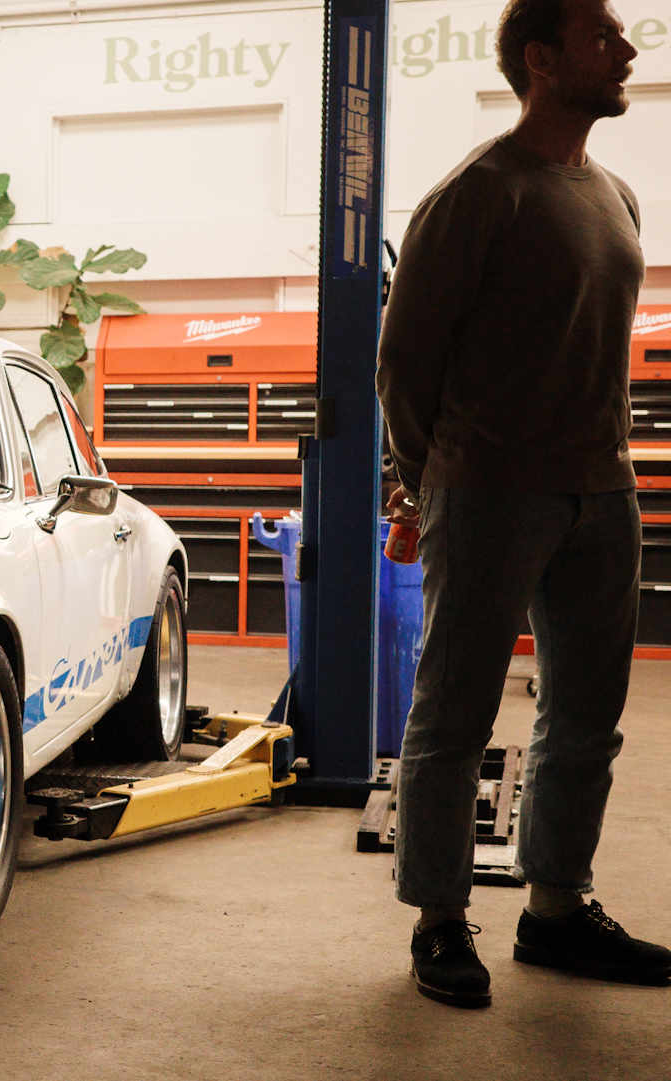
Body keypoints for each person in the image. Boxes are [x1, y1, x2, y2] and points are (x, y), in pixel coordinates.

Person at [377, 0, 669, 1009]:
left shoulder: (618, 194)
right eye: (605, 37)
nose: (627, 49)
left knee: (587, 716)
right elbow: (403, 361)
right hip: (490, 489)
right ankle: (441, 920)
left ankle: (554, 908)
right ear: (543, 60)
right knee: (454, 718)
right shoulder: (478, 193)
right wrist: (434, 477)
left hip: (603, 489)